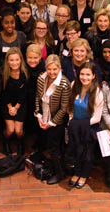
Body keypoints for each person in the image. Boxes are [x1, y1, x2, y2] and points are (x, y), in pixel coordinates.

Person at [34, 54, 72, 185]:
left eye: (55, 69)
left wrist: (51, 123)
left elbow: (64, 107)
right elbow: (38, 98)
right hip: (43, 116)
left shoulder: (64, 83)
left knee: (54, 147)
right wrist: (38, 115)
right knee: (48, 146)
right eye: (49, 69)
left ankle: (60, 173)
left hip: (57, 120)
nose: (52, 72)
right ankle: (56, 168)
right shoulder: (40, 78)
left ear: (60, 68)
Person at [66, 62, 104, 189]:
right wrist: (71, 120)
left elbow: (97, 117)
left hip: (89, 128)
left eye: (88, 74)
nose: (84, 77)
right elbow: (70, 107)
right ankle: (77, 172)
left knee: (87, 154)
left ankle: (84, 175)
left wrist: (79, 124)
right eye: (82, 74)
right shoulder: (74, 85)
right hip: (75, 127)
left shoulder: (98, 93)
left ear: (93, 76)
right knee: (76, 151)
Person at [0, 47, 28, 155]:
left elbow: (24, 94)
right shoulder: (3, 74)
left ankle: (21, 143)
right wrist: (10, 107)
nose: (14, 63)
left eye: (17, 59)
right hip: (7, 104)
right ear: (7, 61)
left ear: (21, 60)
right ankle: (5, 142)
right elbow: (3, 93)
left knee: (18, 131)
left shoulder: (25, 74)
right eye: (11, 60)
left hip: (21, 104)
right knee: (10, 130)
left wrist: (16, 108)